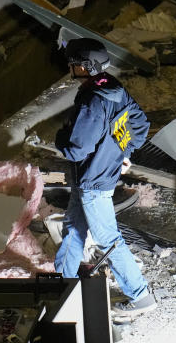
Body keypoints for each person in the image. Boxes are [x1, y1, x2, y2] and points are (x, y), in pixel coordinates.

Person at [54, 37, 156, 316]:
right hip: (96, 172)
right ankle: (61, 286)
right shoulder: (112, 86)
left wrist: (60, 137)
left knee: (107, 239)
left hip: (93, 180)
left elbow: (77, 149)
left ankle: (140, 296)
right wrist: (126, 152)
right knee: (73, 229)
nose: (70, 66)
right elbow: (140, 124)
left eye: (73, 63)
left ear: (85, 67)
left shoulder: (91, 101)